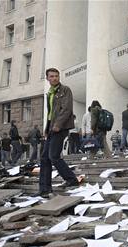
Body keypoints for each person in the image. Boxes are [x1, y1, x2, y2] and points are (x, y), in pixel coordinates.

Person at [39, 67, 79, 197]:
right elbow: (50, 114)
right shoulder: (50, 93)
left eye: (56, 76)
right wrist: (47, 128)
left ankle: (71, 179)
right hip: (51, 128)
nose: (54, 78)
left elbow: (67, 109)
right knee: (45, 158)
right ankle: (44, 189)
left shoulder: (65, 90)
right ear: (47, 78)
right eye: (51, 76)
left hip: (60, 127)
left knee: (53, 156)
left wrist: (58, 125)